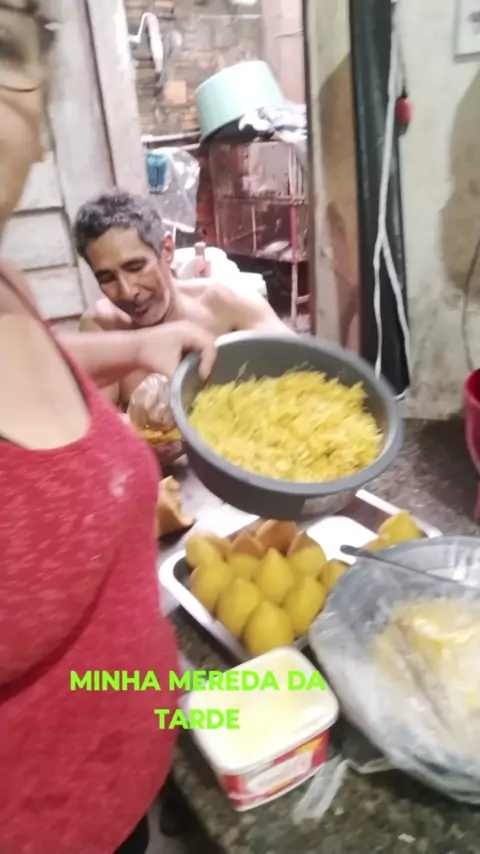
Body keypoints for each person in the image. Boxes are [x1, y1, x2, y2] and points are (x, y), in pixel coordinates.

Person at [0, 3, 216, 853]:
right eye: (108, 277)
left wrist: (140, 349)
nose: (127, 290)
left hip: (132, 784)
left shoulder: (12, 289)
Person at [74, 189, 290, 407]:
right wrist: (140, 421)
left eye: (136, 267)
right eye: (107, 278)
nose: (128, 291)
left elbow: (301, 368)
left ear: (167, 250)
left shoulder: (228, 305)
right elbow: (94, 420)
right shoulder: (102, 327)